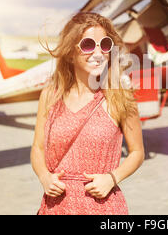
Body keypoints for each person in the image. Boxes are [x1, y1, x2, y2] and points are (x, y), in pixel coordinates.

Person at [31, 12, 144, 215]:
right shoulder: (50, 95)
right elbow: (38, 147)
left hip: (103, 207)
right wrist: (44, 177)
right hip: (56, 208)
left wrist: (112, 178)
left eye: (105, 45)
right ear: (70, 52)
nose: (99, 53)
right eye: (88, 45)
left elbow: (137, 152)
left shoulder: (119, 97)